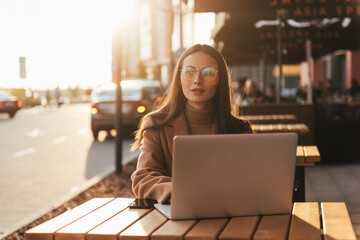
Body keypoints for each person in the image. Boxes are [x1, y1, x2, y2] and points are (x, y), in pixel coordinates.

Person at [130, 44, 253, 203]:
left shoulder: (239, 129)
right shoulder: (157, 125)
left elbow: (250, 179)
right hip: (173, 221)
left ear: (220, 80)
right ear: (179, 79)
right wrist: (185, 192)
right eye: (189, 71)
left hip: (228, 217)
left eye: (208, 73)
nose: (197, 80)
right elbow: (144, 178)